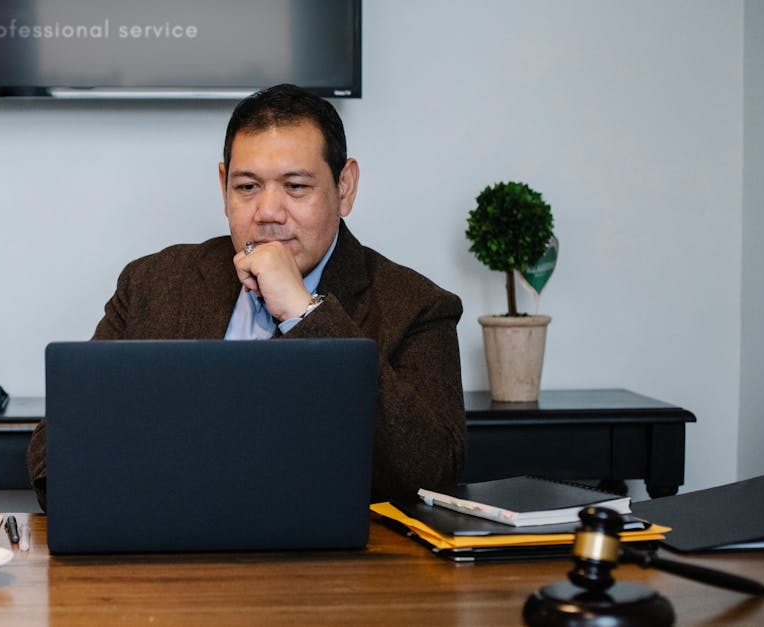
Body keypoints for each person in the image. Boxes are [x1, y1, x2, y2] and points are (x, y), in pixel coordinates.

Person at [27, 84, 465, 509]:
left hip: (330, 556)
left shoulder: (417, 306)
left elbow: (430, 475)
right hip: (171, 543)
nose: (268, 213)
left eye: (296, 187)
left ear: (345, 187)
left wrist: (304, 314)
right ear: (224, 186)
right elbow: (55, 455)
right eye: (247, 187)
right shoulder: (152, 282)